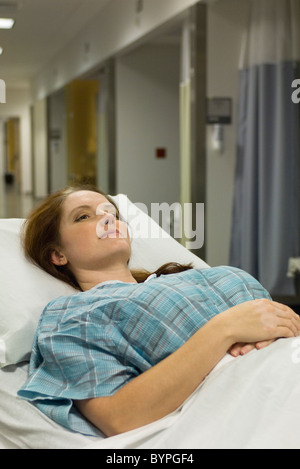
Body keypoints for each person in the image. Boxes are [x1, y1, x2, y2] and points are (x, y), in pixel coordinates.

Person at [18, 186, 300, 438]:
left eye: (111, 212)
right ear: (58, 254)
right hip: (256, 400)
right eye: (83, 217)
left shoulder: (192, 277)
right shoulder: (74, 315)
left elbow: (275, 325)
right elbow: (120, 418)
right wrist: (225, 330)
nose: (107, 219)